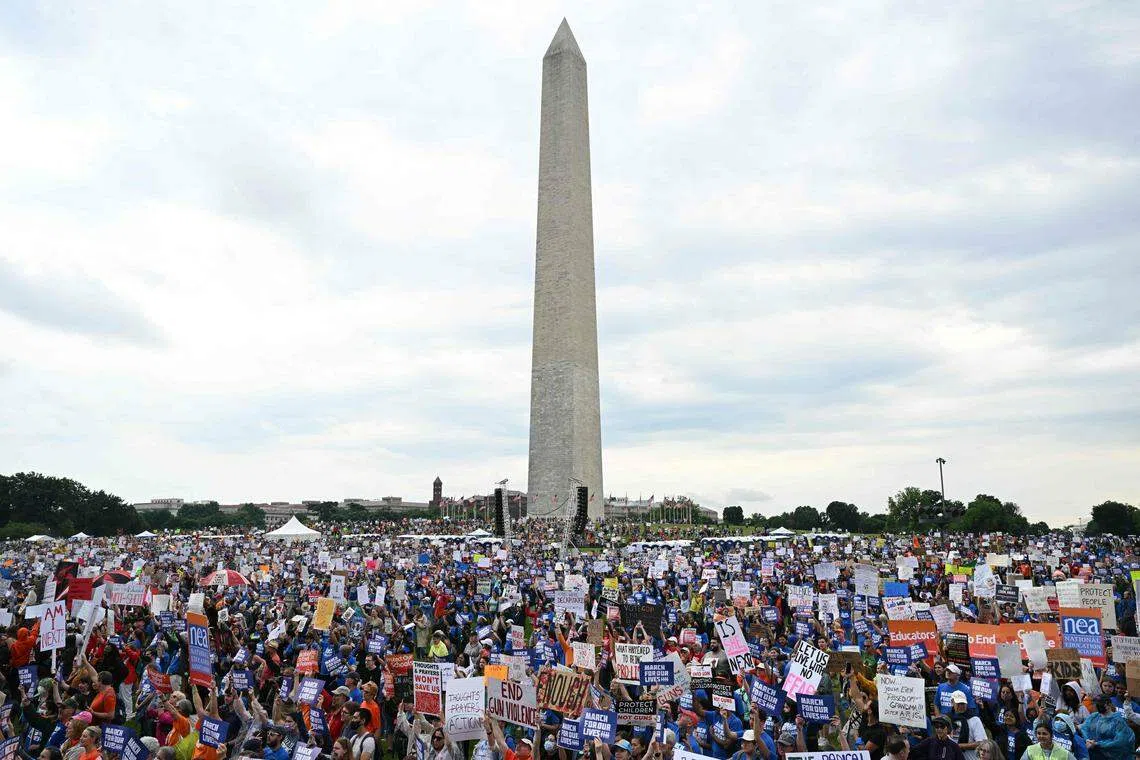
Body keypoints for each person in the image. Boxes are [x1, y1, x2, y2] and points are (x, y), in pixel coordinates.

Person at [950, 692, 989, 760]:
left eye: (963, 703)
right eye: (958, 703)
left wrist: (959, 746)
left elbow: (982, 743)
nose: (961, 706)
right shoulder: (949, 719)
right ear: (952, 702)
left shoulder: (974, 719)